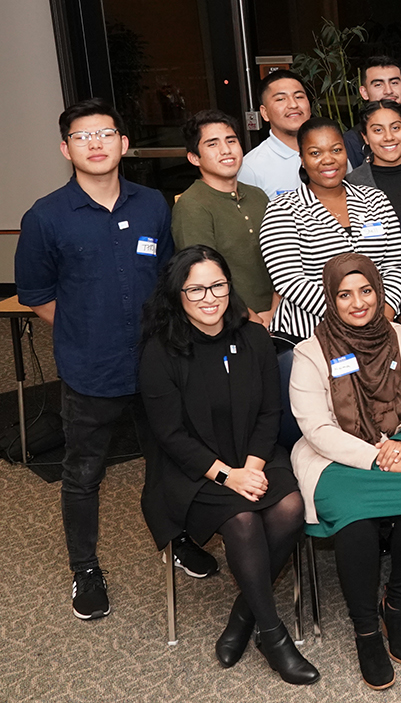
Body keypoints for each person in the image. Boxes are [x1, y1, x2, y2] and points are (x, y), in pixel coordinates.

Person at [16, 98, 212, 620]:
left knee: (169, 460)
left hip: (157, 365)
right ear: (66, 148)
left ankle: (177, 538)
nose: (96, 144)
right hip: (89, 369)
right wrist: (85, 328)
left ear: (124, 144)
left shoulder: (151, 204)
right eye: (82, 136)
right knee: (83, 474)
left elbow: (170, 277)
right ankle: (84, 568)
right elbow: (36, 294)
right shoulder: (45, 216)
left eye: (106, 134)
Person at [138, 245, 318, 681]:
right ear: (176, 294)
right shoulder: (159, 352)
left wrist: (253, 467)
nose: (209, 297)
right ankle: (273, 634)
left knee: (291, 509)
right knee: (242, 521)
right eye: (195, 288)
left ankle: (243, 618)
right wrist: (229, 476)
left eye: (217, 285)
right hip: (194, 471)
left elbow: (268, 413)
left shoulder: (253, 336)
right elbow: (171, 437)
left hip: (252, 456)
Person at [288, 254, 401, 690]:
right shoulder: (310, 351)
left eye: (366, 291)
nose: (357, 302)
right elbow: (317, 429)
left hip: (400, 449)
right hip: (336, 460)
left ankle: (394, 608)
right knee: (357, 527)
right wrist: (378, 457)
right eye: (345, 294)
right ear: (331, 299)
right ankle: (364, 631)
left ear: (379, 293)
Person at [259, 117, 401, 347]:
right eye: (315, 153)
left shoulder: (375, 200)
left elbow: (395, 265)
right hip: (309, 338)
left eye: (336, 150)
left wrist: (383, 313)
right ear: (302, 159)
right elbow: (288, 280)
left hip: (376, 334)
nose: (328, 160)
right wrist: (352, 315)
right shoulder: (283, 209)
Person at [173, 109, 276, 327]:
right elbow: (203, 276)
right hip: (230, 322)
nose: (226, 150)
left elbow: (281, 255)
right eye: (212, 144)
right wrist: (251, 317)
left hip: (278, 315)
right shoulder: (192, 205)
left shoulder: (258, 196)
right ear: (194, 158)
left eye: (231, 140)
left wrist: (275, 310)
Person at [240, 71, 311, 197]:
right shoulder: (251, 168)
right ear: (265, 112)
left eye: (299, 97)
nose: (293, 105)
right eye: (281, 99)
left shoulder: (332, 155)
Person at [345, 101, 401, 213]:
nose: (388, 137)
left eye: (395, 128)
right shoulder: (352, 184)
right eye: (378, 130)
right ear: (365, 137)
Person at [344, 56, 401, 170]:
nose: (388, 91)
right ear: (364, 92)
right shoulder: (351, 141)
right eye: (378, 85)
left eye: (394, 83)